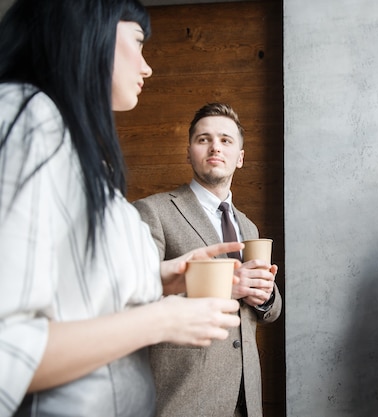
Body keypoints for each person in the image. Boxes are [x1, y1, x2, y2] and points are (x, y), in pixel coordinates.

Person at [0, 1, 243, 416]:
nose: (147, 67)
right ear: (88, 31)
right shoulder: (28, 120)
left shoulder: (77, 147)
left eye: (227, 140)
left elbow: (73, 291)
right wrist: (161, 321)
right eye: (138, 42)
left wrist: (164, 278)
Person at [133, 102, 282, 417]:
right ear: (189, 152)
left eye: (226, 140)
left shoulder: (248, 225)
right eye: (204, 139)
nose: (215, 146)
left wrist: (266, 298)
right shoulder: (153, 212)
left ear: (239, 157)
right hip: (185, 397)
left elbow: (267, 310)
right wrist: (227, 286)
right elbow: (136, 298)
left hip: (247, 399)